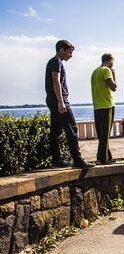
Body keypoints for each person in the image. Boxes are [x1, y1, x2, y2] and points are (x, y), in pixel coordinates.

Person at [45, 39, 93, 168]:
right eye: (69, 52)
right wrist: (61, 101)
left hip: (53, 100)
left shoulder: (55, 62)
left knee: (55, 132)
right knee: (72, 129)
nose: (71, 56)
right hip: (59, 100)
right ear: (62, 50)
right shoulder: (56, 62)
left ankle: (56, 160)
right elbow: (56, 82)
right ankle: (77, 160)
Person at [91, 53, 117, 165]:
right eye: (113, 61)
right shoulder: (106, 70)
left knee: (102, 134)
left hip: (97, 106)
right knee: (105, 134)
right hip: (107, 105)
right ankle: (101, 159)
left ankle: (108, 157)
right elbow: (114, 87)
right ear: (109, 60)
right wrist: (114, 74)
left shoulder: (94, 72)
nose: (113, 64)